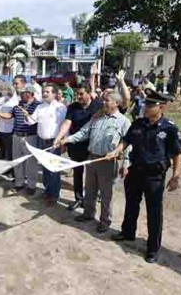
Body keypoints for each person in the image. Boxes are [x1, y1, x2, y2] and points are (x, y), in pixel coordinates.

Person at [110, 89, 181, 263]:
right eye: (145, 103)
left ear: (162, 107)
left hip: (154, 177)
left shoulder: (169, 128)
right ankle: (128, 233)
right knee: (131, 205)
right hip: (135, 171)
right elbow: (126, 140)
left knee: (154, 213)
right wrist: (117, 150)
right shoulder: (138, 124)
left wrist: (176, 176)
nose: (145, 107)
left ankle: (152, 248)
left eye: (150, 105)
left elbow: (177, 153)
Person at [57, 93, 131, 232]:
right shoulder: (96, 118)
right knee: (90, 189)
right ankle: (88, 214)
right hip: (92, 158)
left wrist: (126, 164)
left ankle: (105, 221)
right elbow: (83, 133)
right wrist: (66, 140)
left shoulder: (124, 122)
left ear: (116, 103)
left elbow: (128, 144)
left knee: (106, 194)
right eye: (104, 100)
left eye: (107, 100)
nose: (103, 103)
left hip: (108, 161)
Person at [54, 83, 101, 211]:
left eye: (81, 94)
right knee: (77, 173)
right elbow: (67, 123)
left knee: (93, 174)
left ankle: (93, 197)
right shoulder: (72, 107)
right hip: (76, 145)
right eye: (76, 94)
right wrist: (59, 137)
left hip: (93, 145)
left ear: (89, 93)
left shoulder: (98, 106)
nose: (78, 97)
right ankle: (79, 199)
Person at [21, 84, 67, 204]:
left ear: (54, 94)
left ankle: (54, 195)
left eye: (47, 92)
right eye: (43, 91)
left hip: (54, 142)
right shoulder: (40, 107)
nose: (44, 93)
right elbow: (31, 121)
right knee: (45, 168)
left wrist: (64, 142)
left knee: (53, 169)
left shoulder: (61, 107)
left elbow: (65, 125)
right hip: (41, 141)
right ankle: (47, 191)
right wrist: (26, 116)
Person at [1, 85, 41, 194]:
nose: (21, 95)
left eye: (23, 93)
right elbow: (10, 115)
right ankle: (19, 183)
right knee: (17, 161)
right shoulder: (18, 105)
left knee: (31, 162)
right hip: (16, 136)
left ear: (30, 93)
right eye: (21, 93)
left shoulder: (38, 106)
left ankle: (31, 185)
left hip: (31, 137)